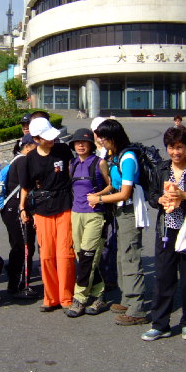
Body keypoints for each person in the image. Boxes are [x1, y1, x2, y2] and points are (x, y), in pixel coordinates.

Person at [141, 126, 186, 341]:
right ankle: (160, 324)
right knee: (163, 278)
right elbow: (151, 195)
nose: (176, 152)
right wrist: (159, 199)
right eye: (171, 147)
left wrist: (184, 195)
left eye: (180, 147)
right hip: (166, 230)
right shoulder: (160, 169)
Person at [88, 119, 149, 325]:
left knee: (131, 257)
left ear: (113, 138)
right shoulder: (115, 156)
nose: (101, 142)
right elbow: (114, 185)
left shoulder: (128, 158)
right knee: (123, 257)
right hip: (120, 212)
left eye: (104, 138)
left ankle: (137, 309)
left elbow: (125, 193)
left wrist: (100, 199)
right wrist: (98, 194)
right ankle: (127, 299)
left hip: (130, 212)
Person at [19, 116, 75, 312]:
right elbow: (25, 187)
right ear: (36, 139)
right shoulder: (29, 159)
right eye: (46, 137)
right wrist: (23, 208)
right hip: (42, 210)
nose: (51, 140)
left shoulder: (63, 150)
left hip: (65, 205)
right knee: (47, 256)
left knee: (65, 254)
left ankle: (67, 297)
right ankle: (51, 298)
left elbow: (73, 172)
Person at [66, 128, 113, 317]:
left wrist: (98, 196)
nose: (80, 145)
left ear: (91, 145)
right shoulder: (72, 164)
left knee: (87, 257)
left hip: (95, 215)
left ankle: (79, 299)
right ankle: (99, 295)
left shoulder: (99, 162)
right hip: (76, 214)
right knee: (83, 257)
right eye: (77, 142)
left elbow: (111, 186)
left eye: (84, 142)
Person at [2, 133, 39, 299]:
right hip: (18, 209)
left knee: (18, 246)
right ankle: (19, 286)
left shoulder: (16, 160)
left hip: (11, 209)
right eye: (36, 145)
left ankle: (16, 284)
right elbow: (26, 186)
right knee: (24, 248)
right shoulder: (24, 161)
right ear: (28, 146)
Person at [91, 116, 118, 291]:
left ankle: (109, 277)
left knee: (110, 241)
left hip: (110, 201)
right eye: (97, 132)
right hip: (95, 204)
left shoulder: (112, 153)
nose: (100, 136)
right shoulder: (90, 151)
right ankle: (97, 276)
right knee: (96, 241)